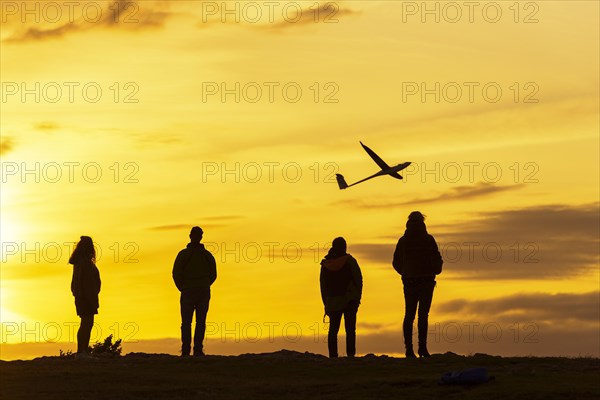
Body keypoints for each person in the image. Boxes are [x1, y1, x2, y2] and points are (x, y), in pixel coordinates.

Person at [392, 211, 443, 358]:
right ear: (422, 222)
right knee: (423, 316)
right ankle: (423, 349)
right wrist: (434, 270)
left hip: (409, 281)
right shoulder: (428, 239)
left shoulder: (403, 241)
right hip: (426, 281)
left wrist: (405, 273)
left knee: (409, 315)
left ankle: (409, 350)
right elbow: (436, 258)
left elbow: (395, 262)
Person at [173, 226, 217, 356]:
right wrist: (204, 285)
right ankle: (197, 350)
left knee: (187, 322)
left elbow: (176, 273)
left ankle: (186, 350)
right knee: (200, 322)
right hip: (201, 291)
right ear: (200, 237)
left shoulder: (184, 255)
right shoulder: (207, 255)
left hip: (190, 291)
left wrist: (183, 287)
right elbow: (213, 275)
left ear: (190, 236)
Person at [320, 237, 363, 358]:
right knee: (350, 330)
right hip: (350, 300)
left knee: (333, 331)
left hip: (332, 302)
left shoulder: (326, 264)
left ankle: (333, 356)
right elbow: (358, 279)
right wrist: (357, 297)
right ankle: (350, 355)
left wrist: (326, 303)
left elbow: (323, 286)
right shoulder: (350, 261)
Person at [69, 236, 101, 359]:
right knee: (86, 324)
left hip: (84, 297)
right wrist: (87, 297)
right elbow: (84, 283)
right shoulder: (84, 263)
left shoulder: (80, 262)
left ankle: (82, 351)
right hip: (86, 298)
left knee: (86, 324)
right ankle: (82, 351)